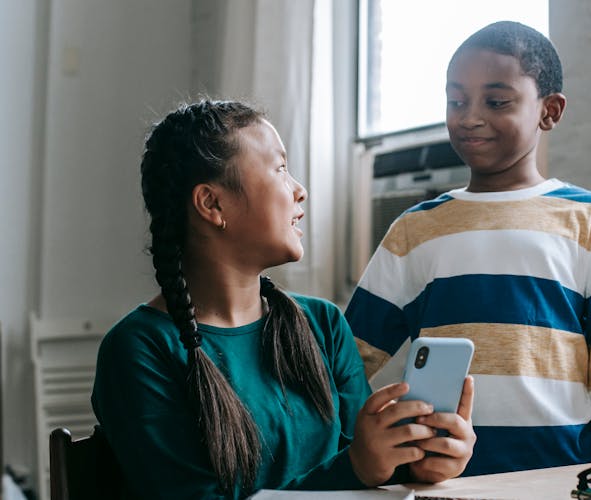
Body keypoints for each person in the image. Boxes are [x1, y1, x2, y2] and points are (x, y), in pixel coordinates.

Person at [91, 100, 476, 499]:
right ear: (212, 204)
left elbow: (364, 471)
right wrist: (359, 466)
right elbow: (351, 469)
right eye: (279, 168)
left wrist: (416, 461)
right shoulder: (139, 349)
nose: (299, 189)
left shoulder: (323, 324)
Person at [345, 21, 591, 476]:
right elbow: (346, 361)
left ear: (550, 110)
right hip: (440, 479)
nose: (469, 117)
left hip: (558, 478)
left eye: (496, 101)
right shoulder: (414, 229)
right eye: (456, 100)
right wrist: (354, 450)